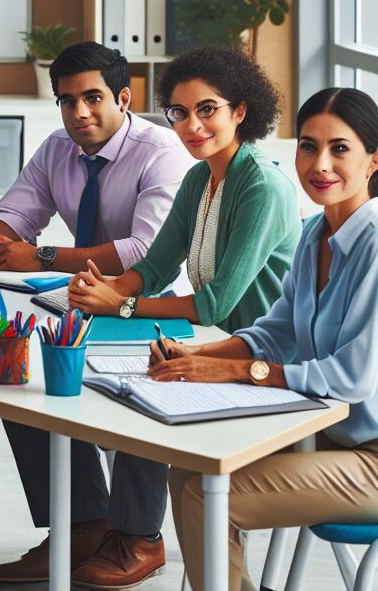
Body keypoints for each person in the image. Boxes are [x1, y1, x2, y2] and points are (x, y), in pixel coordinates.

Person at [0, 42, 193, 587]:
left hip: (156, 306)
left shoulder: (160, 151)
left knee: (139, 380)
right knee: (17, 373)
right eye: (67, 101)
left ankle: (141, 536)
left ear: (123, 98)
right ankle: (81, 527)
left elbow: (146, 252)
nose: (79, 113)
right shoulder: (57, 149)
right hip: (86, 301)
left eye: (93, 98)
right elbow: (14, 212)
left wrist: (40, 255)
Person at [156, 88, 378, 591]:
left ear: (373, 161)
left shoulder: (375, 244)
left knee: (206, 497)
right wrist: (196, 354)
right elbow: (276, 333)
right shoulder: (316, 232)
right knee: (188, 467)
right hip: (328, 434)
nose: (319, 163)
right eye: (307, 145)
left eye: (339, 148)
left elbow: (350, 377)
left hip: (371, 458)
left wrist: (234, 370)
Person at [69, 45, 300, 335]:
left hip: (264, 357)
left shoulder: (263, 189)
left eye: (207, 109)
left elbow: (213, 305)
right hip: (215, 340)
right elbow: (155, 268)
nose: (191, 126)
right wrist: (103, 288)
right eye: (180, 112)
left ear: (240, 111)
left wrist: (122, 305)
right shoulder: (198, 178)